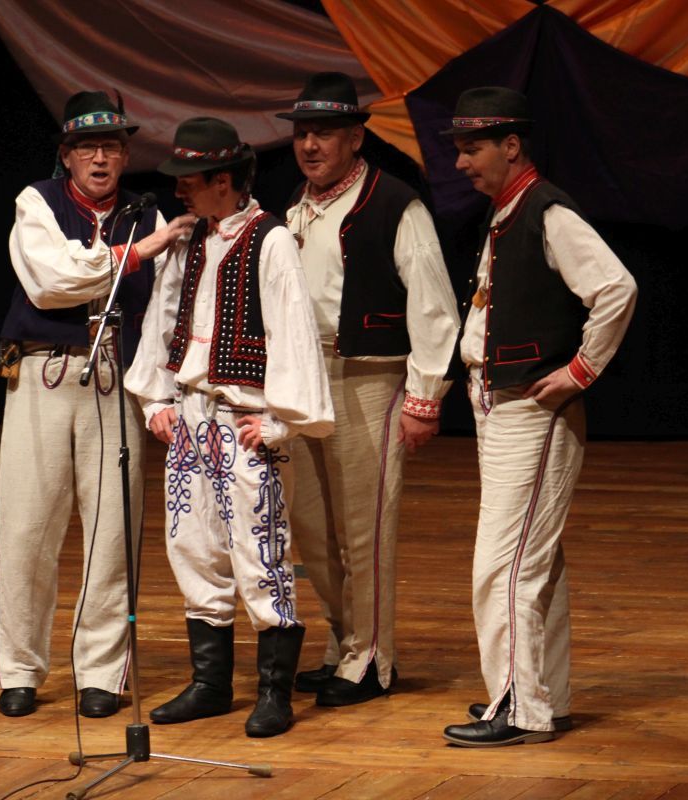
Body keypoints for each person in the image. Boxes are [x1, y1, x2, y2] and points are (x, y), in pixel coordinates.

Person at [440, 87, 637, 747]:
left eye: (472, 148)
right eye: (459, 149)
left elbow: (615, 288)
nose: (461, 162)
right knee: (536, 563)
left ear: (511, 145)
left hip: (531, 410)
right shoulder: (507, 212)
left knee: (504, 566)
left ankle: (518, 707)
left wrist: (581, 370)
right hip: (500, 407)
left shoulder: (546, 211)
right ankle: (541, 697)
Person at [125, 116, 334, 738]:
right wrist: (155, 399)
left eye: (188, 181)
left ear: (223, 180)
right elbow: (163, 318)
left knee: (261, 550)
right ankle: (211, 683)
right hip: (190, 417)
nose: (178, 191)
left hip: (242, 420)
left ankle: (273, 691)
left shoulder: (271, 240)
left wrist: (280, 422)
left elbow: (293, 333)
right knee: (193, 545)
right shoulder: (188, 237)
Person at [0, 91, 193, 719]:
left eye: (110, 147)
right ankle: (20, 668)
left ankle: (102, 671)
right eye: (87, 148)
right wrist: (139, 252)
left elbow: (163, 308)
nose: (100, 158)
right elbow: (51, 283)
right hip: (42, 373)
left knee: (112, 532)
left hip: (115, 377)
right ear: (67, 156)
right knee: (26, 528)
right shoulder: (37, 203)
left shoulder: (146, 212)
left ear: (127, 155)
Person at [276, 72, 459, 707]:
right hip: (304, 380)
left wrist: (423, 398)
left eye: (324, 133)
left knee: (364, 528)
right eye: (302, 133)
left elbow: (435, 309)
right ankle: (343, 643)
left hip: (367, 378)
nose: (310, 145)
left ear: (356, 138)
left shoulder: (394, 204)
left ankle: (372, 660)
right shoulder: (295, 206)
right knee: (312, 528)